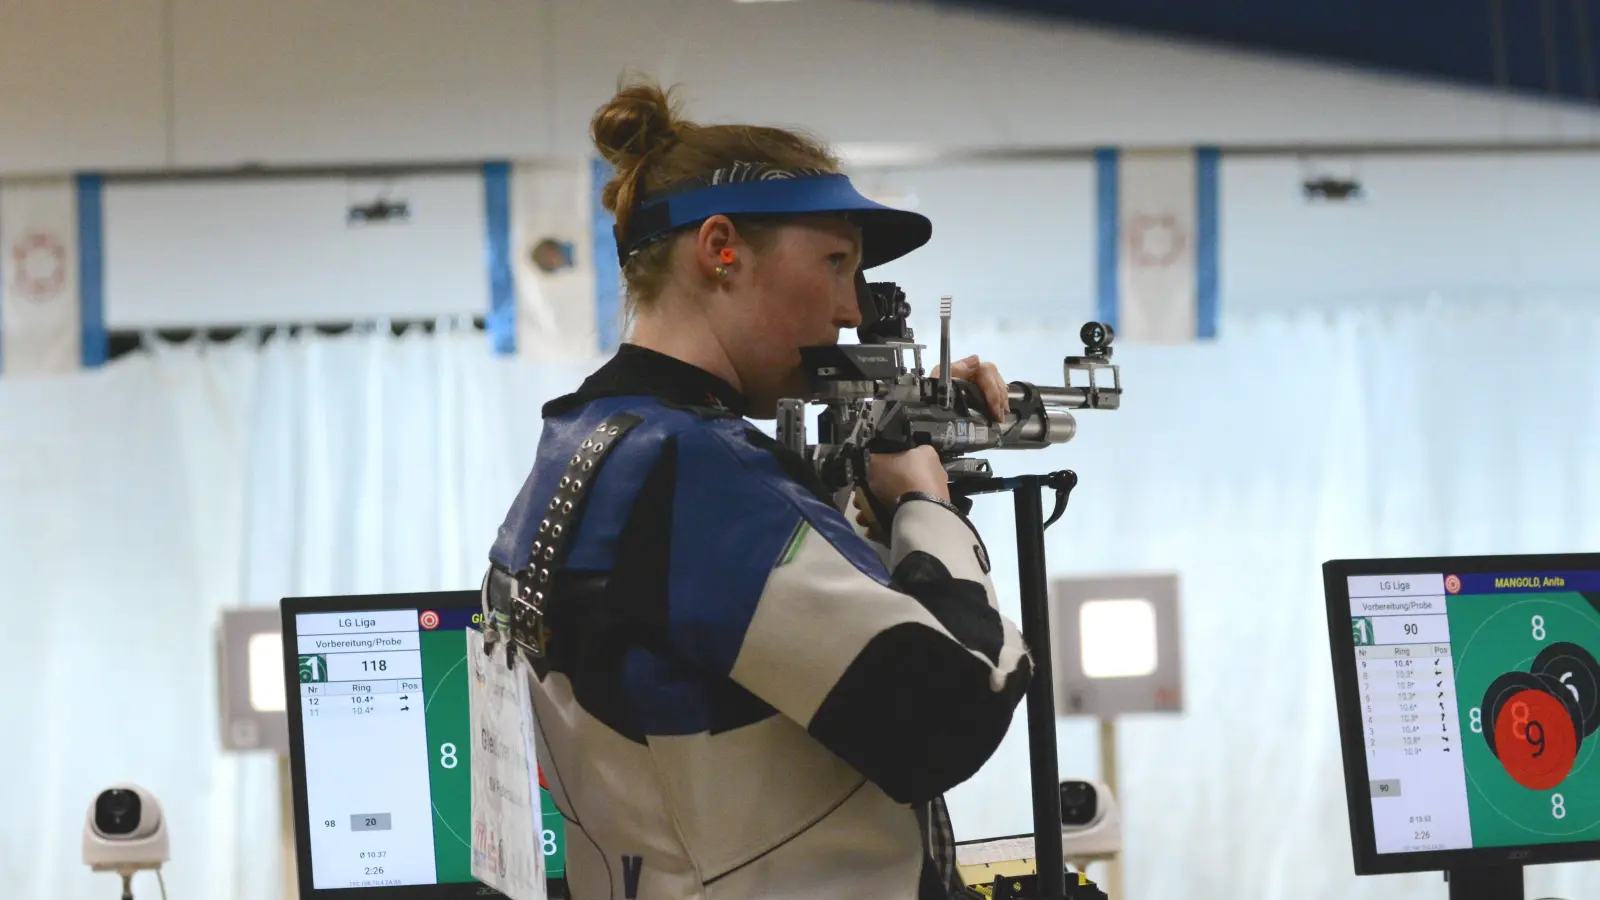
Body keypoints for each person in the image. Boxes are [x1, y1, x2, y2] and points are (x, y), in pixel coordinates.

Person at [481, 76, 1033, 900]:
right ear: (720, 249)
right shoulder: (698, 471)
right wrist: (926, 506)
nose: (851, 310)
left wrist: (861, 502)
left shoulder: (588, 442)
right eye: (836, 262)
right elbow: (947, 713)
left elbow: (740, 671)